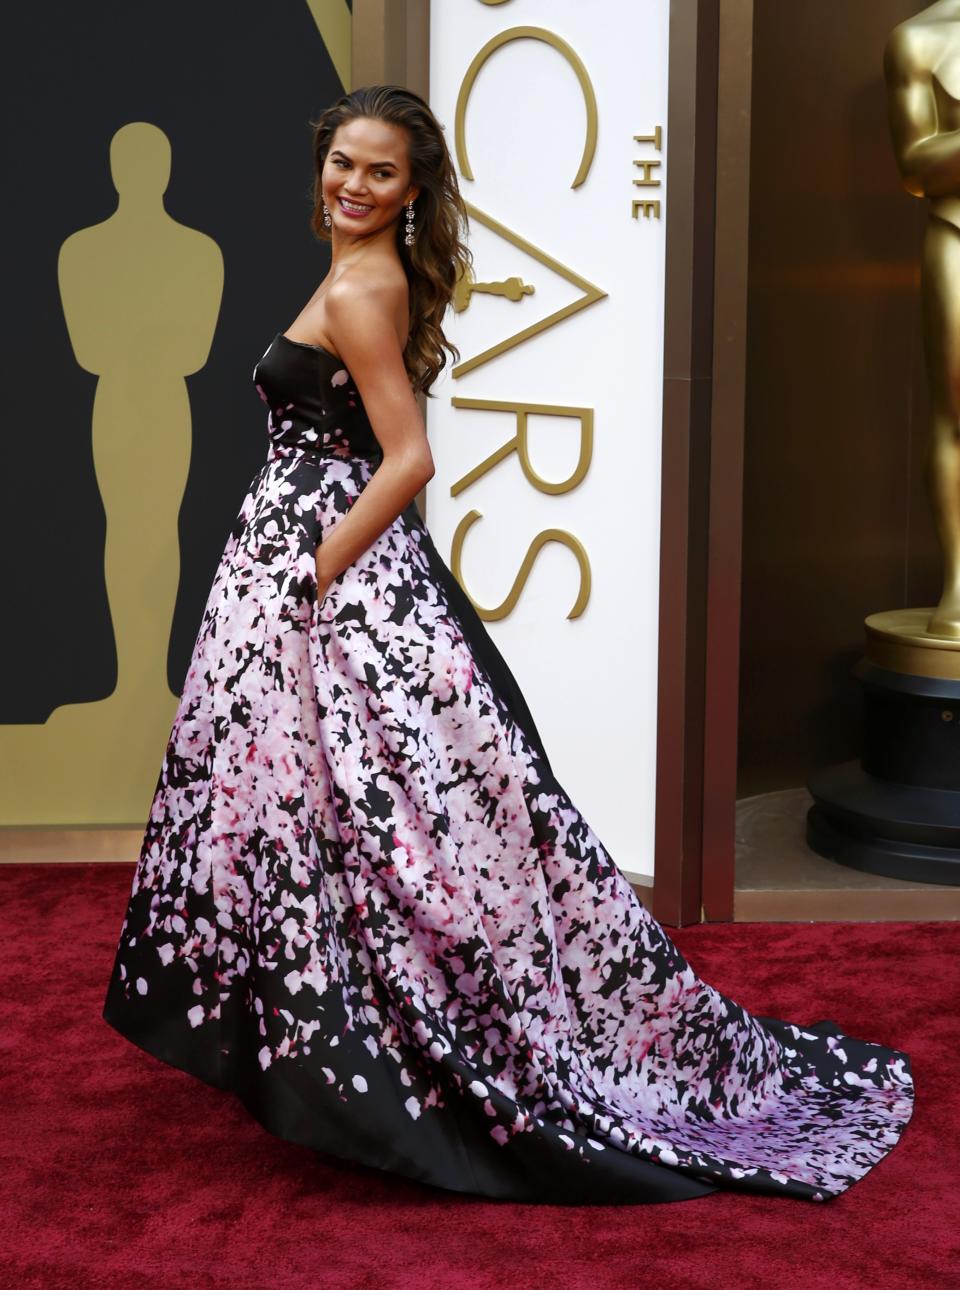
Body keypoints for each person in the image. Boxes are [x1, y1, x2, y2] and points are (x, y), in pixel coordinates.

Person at [102, 84, 914, 1205]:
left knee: (383, 822)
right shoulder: (357, 271)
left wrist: (314, 570)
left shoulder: (363, 288)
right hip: (318, 569)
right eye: (344, 162)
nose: (354, 184)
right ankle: (351, 1040)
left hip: (328, 577)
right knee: (353, 816)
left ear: (413, 187)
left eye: (381, 172)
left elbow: (408, 460)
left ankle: (396, 1051)